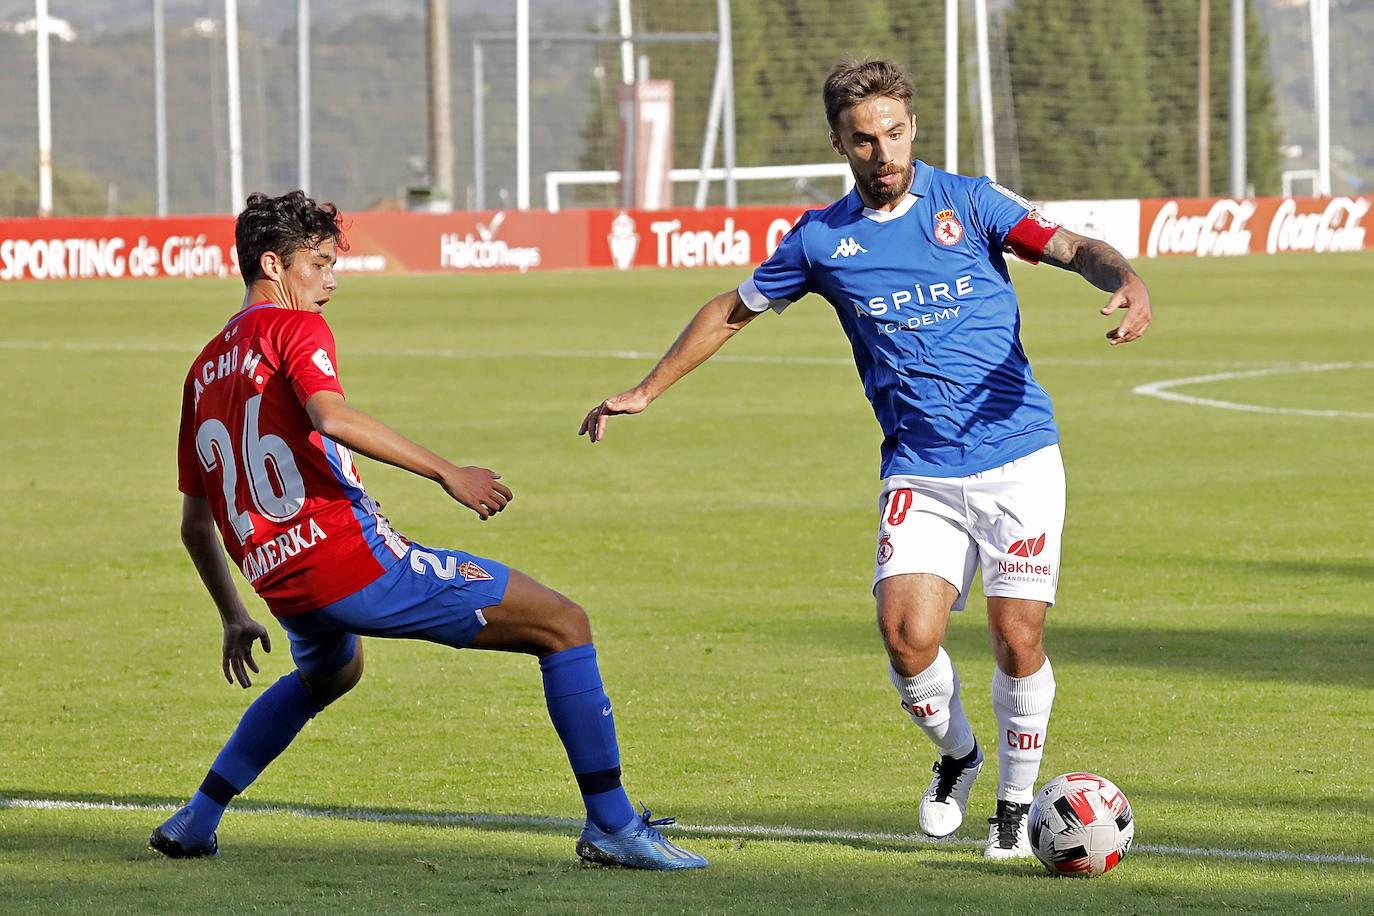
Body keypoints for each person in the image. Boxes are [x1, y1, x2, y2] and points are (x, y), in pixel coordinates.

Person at [579, 59, 1151, 860]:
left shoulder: (973, 204)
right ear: (840, 145)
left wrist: (1123, 276)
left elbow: (1072, 246)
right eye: (863, 139)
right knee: (905, 636)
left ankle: (1015, 811)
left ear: (912, 127)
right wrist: (646, 390)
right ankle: (958, 756)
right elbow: (731, 310)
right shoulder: (822, 240)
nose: (881, 151)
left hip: (1018, 455)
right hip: (918, 465)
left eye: (892, 133)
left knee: (1016, 638)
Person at [153, 190, 706, 871]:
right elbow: (331, 416)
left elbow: (194, 523)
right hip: (349, 562)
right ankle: (614, 826)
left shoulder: (201, 371)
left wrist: (234, 614)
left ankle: (196, 817)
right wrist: (448, 472)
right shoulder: (291, 329)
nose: (331, 279)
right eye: (318, 263)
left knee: (331, 672)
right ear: (272, 265)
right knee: (564, 624)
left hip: (278, 579)